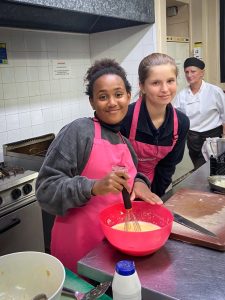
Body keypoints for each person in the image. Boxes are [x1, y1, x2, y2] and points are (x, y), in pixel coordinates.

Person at [35, 58, 162, 273]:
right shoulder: (78, 131)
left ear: (128, 97)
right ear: (92, 102)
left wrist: (139, 183)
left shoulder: (125, 143)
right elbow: (45, 190)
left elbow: (132, 176)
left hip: (114, 251)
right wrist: (92, 187)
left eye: (118, 94)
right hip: (78, 250)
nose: (112, 102)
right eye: (103, 97)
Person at [120, 53, 190, 197]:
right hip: (122, 187)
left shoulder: (181, 123)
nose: (165, 89)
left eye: (170, 81)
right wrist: (131, 188)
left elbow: (167, 167)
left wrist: (154, 195)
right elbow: (114, 162)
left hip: (155, 186)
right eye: (156, 83)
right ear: (142, 87)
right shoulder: (125, 117)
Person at [174, 57, 225, 170]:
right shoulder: (182, 95)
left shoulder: (215, 91)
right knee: (199, 170)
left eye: (193, 71)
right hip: (193, 139)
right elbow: (177, 119)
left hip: (213, 138)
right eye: (186, 72)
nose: (189, 75)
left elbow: (224, 114)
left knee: (217, 170)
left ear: (202, 73)